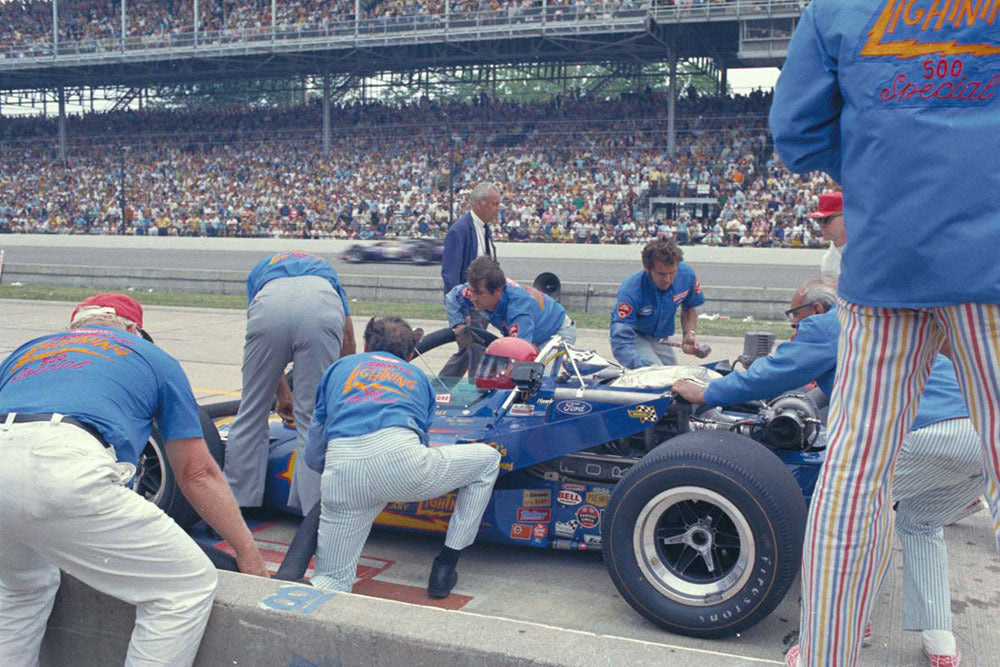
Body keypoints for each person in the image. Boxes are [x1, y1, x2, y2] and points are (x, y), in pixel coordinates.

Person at [770, 4, 1000, 665]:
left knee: (852, 467)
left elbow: (794, 131)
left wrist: (880, 171)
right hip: (991, 254)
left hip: (885, 256)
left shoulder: (835, 7)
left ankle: (826, 653)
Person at [673, 275, 988, 667]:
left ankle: (839, 633)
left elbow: (773, 373)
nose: (793, 326)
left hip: (927, 432)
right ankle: (941, 644)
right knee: (919, 524)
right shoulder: (884, 317)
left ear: (818, 309)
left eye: (795, 316)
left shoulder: (833, 322)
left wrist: (707, 392)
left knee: (849, 518)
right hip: (982, 437)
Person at [0, 293, 267, 666]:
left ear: (75, 328)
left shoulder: (27, 352)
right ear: (133, 329)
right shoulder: (150, 356)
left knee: (20, 590)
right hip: (61, 461)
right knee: (183, 587)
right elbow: (197, 473)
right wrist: (249, 555)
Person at [304, 317, 501, 598]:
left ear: (366, 344)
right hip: (403, 468)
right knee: (488, 461)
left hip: (343, 471)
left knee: (331, 581)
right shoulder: (419, 378)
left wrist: (342, 476)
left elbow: (314, 451)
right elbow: (423, 440)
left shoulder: (338, 369)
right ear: (410, 355)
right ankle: (446, 564)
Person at [225, 250, 356, 512]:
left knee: (251, 410)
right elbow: (348, 337)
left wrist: (282, 393)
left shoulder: (261, 268)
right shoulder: (325, 269)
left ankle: (236, 505)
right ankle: (314, 512)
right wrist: (342, 394)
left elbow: (269, 342)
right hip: (321, 304)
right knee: (311, 419)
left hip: (269, 302)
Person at [609, 238, 705, 369]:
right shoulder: (630, 291)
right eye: (661, 274)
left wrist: (689, 333)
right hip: (634, 337)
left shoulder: (687, 275)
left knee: (676, 375)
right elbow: (621, 343)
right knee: (659, 375)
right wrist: (645, 368)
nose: (667, 279)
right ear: (646, 268)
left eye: (672, 273)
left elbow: (689, 306)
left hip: (660, 339)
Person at [444, 256, 576, 348]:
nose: (473, 298)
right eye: (471, 291)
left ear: (498, 291)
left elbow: (520, 352)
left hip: (556, 332)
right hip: (531, 331)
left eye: (478, 293)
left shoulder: (518, 310)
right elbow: (452, 298)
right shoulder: (476, 288)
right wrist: (459, 325)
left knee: (537, 380)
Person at [440, 183, 500, 381]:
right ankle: (478, 393)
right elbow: (450, 275)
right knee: (476, 353)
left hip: (484, 304)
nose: (497, 208)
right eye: (494, 204)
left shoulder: (484, 229)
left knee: (467, 353)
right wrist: (460, 312)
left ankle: (438, 389)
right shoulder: (459, 230)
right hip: (469, 303)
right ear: (479, 204)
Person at [808, 191, 846, 276]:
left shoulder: (870, 250)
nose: (821, 225)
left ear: (846, 216)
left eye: (826, 220)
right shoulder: (828, 259)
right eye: (818, 220)